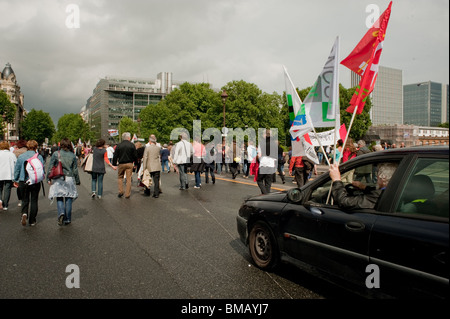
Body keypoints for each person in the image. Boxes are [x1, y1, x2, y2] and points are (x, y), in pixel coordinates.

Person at [329, 162, 398, 210]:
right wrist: (363, 187)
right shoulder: (395, 190)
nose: (377, 178)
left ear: (384, 177)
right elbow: (375, 191)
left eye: (378, 175)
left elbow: (344, 202)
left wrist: (336, 180)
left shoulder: (379, 195)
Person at [47, 138, 80, 226]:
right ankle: (67, 219)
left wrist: (48, 178)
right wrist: (77, 180)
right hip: (69, 177)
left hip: (58, 177)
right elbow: (75, 170)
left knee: (59, 197)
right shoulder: (72, 155)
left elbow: (50, 167)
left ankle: (61, 212)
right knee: (69, 197)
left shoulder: (55, 154)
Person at [14, 140, 45, 226]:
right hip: (35, 181)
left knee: (25, 199)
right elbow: (42, 169)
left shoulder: (21, 157)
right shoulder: (39, 157)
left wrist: (16, 180)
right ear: (36, 147)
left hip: (23, 180)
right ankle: (32, 220)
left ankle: (24, 213)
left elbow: (17, 169)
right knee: (34, 200)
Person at [112, 132, 138, 198]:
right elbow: (135, 155)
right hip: (129, 163)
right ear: (129, 138)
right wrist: (136, 163)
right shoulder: (132, 145)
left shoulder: (119, 145)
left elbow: (115, 155)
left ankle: (121, 191)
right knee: (128, 179)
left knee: (120, 177)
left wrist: (114, 164)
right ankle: (127, 194)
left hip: (121, 163)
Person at [256, 129, 277, 194]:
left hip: (263, 163)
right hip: (271, 164)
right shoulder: (274, 143)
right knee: (268, 183)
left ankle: (265, 193)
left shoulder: (261, 143)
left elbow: (259, 155)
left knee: (259, 180)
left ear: (265, 135)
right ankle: (267, 195)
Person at [0, 141, 17, 211]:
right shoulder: (11, 154)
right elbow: (15, 164)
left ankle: (0, 200)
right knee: (7, 189)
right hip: (9, 174)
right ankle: (5, 205)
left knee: (0, 188)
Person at [13, 139, 28, 207]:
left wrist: (15, 178)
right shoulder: (28, 151)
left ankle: (20, 199)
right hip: (27, 171)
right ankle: (26, 199)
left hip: (19, 171)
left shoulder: (15, 152)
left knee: (19, 186)